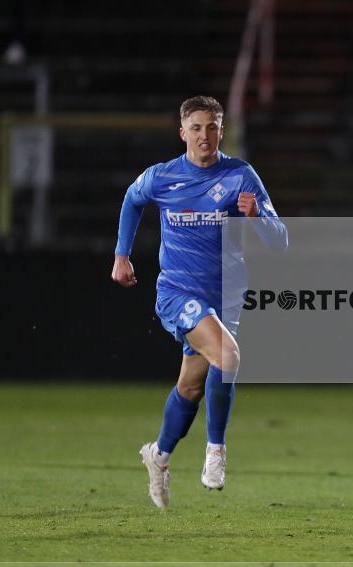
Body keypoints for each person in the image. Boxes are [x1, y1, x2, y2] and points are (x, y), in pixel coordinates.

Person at [112, 96, 288, 508]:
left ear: (222, 131)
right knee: (229, 355)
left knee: (191, 386)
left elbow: (280, 241)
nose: (204, 135)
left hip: (225, 297)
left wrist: (258, 216)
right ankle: (216, 452)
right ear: (182, 133)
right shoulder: (162, 177)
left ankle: (159, 456)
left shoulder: (241, 176)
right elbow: (132, 199)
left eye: (212, 127)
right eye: (196, 128)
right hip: (178, 292)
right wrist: (122, 254)